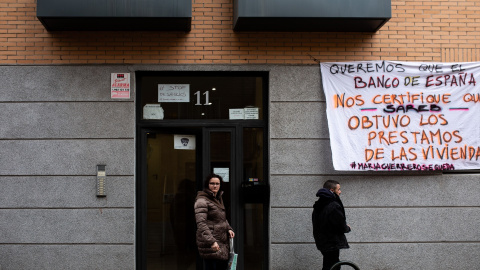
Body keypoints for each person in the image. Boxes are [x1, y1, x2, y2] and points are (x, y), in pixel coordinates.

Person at [194, 173, 235, 270]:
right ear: (207, 185)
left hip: (221, 242)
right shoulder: (202, 200)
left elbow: (221, 218)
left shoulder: (217, 198)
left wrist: (229, 228)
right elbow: (201, 224)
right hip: (212, 244)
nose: (215, 186)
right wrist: (212, 242)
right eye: (212, 183)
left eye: (217, 183)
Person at [312, 180, 351, 270]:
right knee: (334, 266)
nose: (340, 191)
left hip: (322, 240)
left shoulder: (319, 204)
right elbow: (339, 224)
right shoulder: (333, 205)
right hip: (332, 241)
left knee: (328, 265)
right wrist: (347, 228)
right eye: (339, 189)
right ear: (332, 190)